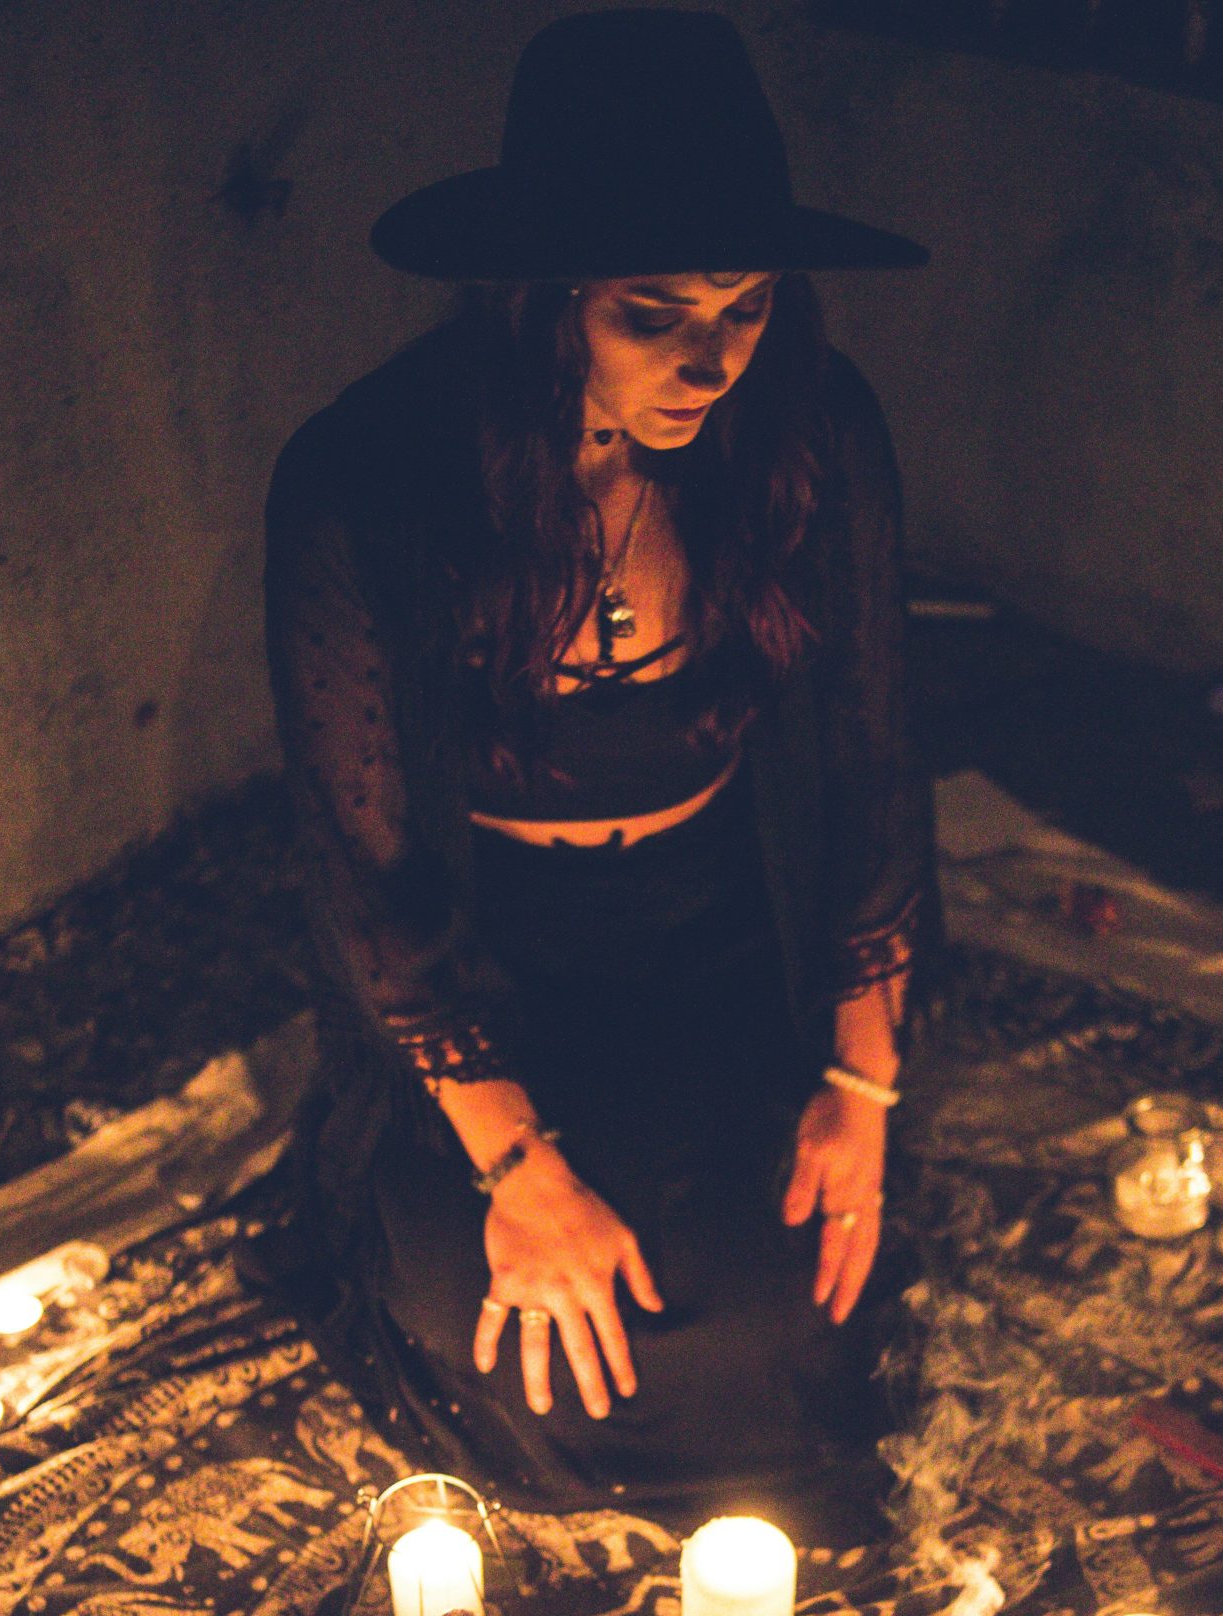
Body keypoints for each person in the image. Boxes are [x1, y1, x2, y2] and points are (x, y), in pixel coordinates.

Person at [264, 10, 934, 1532]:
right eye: (656, 313)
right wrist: (520, 1169)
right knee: (533, 1333)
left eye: (747, 306)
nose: (713, 360)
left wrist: (861, 1083)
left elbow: (876, 763)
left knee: (793, 1299)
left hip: (724, 933)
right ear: (542, 296)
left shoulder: (809, 433)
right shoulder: (366, 482)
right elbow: (369, 877)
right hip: (489, 966)